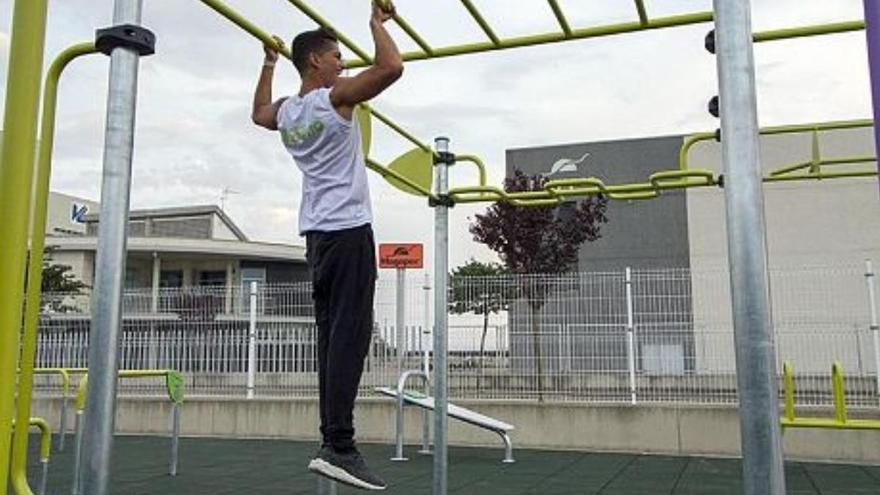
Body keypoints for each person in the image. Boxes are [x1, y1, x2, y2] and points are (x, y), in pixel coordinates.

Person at [251, 1, 403, 491]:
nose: (343, 62)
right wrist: (376, 25)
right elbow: (391, 68)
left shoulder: (290, 113)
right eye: (336, 55)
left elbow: (258, 114)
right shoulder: (334, 99)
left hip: (316, 239)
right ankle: (338, 443)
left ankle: (333, 439)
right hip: (349, 231)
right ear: (315, 61)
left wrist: (269, 63)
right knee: (351, 336)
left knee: (330, 339)